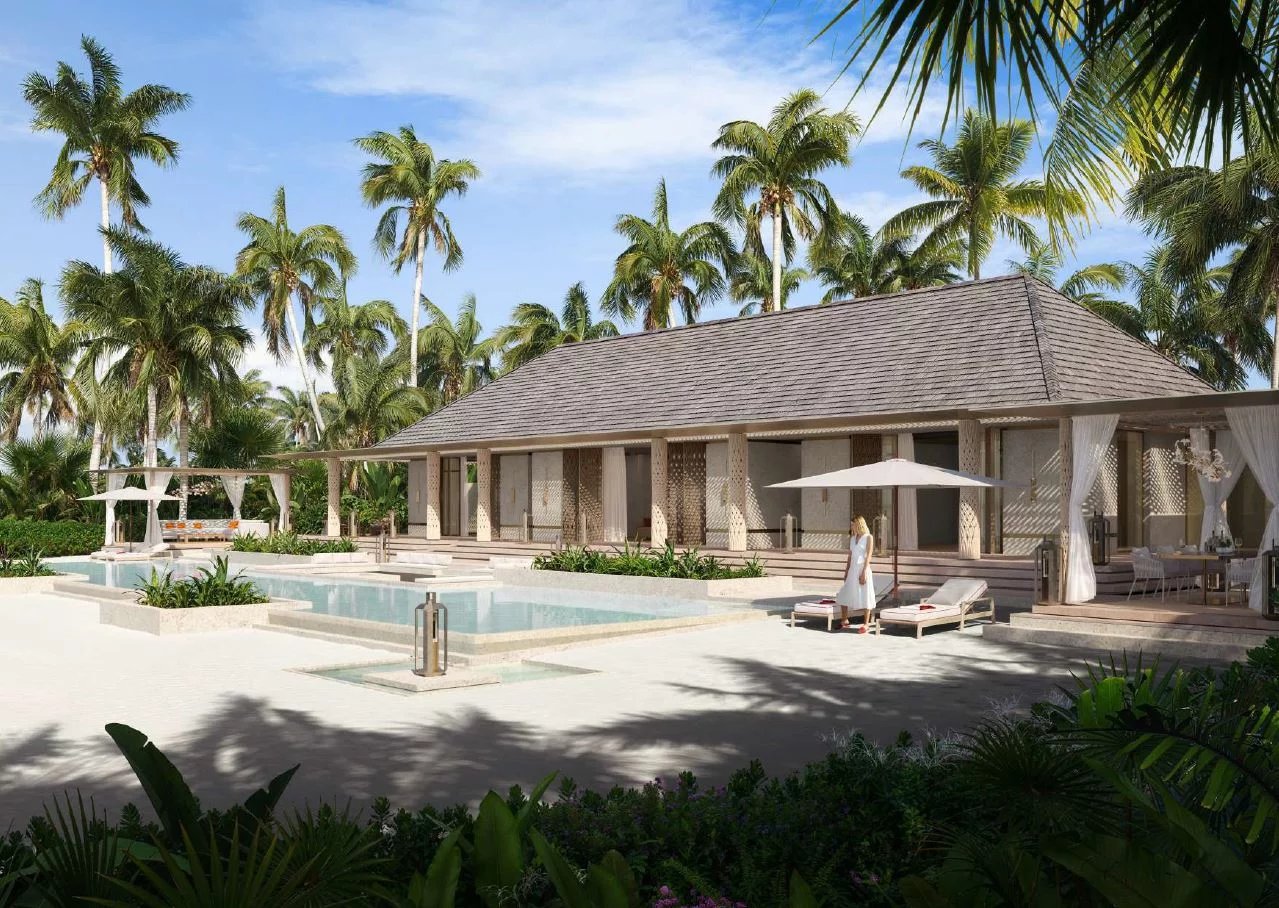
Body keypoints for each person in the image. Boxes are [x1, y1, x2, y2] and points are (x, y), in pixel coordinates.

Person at [836, 515, 876, 633]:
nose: (851, 526)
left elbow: (869, 555)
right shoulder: (853, 538)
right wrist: (846, 571)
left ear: (858, 524)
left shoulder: (868, 537)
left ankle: (866, 624)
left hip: (862, 569)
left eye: (852, 524)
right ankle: (845, 620)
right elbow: (850, 556)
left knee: (865, 595)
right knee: (844, 593)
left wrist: (864, 572)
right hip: (852, 570)